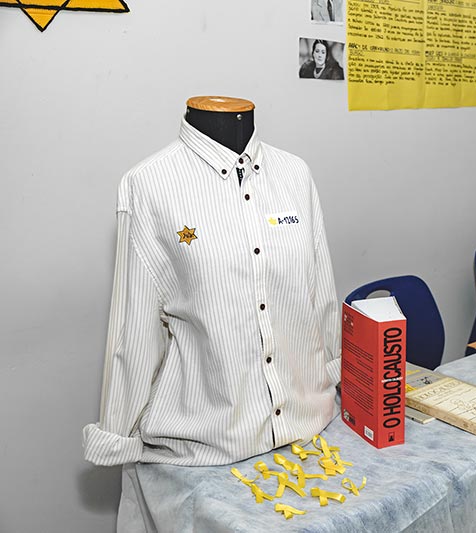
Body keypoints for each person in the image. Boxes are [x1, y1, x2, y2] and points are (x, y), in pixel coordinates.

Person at [82, 96, 341, 467]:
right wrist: (117, 433)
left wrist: (337, 375)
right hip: (206, 448)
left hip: (311, 426)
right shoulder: (149, 184)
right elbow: (134, 327)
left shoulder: (294, 173)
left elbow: (321, 295)